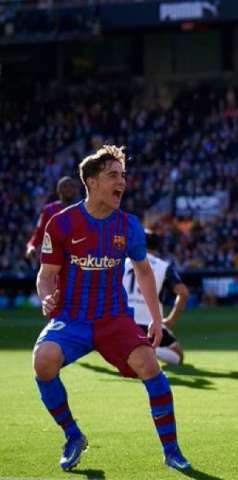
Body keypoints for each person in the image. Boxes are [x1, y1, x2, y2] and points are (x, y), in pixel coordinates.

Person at [33, 145, 191, 471]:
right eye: (113, 175)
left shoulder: (129, 225)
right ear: (91, 182)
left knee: (150, 365)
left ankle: (172, 451)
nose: (122, 182)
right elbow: (45, 275)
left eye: (123, 175)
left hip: (113, 318)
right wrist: (47, 296)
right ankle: (73, 435)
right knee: (43, 361)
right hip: (72, 317)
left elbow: (144, 271)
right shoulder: (61, 224)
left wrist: (158, 320)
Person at [123, 229, 190, 365]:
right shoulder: (164, 266)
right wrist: (171, 320)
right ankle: (151, 350)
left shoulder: (123, 263)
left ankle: (131, 349)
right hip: (150, 323)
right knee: (178, 355)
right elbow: (183, 293)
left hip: (124, 322)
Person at [26, 176, 81, 259]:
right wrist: (31, 246)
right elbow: (39, 233)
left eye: (72, 186)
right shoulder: (48, 210)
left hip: (77, 258)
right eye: (64, 186)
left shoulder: (83, 210)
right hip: (53, 259)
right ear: (58, 190)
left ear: (76, 190)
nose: (68, 188)